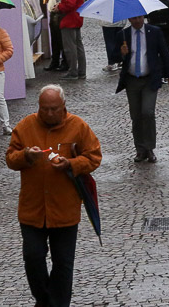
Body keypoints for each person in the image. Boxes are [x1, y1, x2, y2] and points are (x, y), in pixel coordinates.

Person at [6, 85, 101, 307]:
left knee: (63, 263)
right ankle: (44, 300)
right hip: (33, 210)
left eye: (54, 109)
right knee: (33, 257)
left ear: (63, 106)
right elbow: (11, 158)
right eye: (44, 109)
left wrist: (72, 163)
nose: (49, 113)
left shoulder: (78, 127)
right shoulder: (25, 126)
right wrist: (26, 156)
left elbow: (94, 157)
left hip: (65, 209)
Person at [118, 14, 169, 163]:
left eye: (139, 18)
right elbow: (113, 56)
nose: (137, 21)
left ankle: (149, 147)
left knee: (148, 112)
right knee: (136, 115)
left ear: (143, 17)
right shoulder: (123, 34)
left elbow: (164, 53)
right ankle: (140, 149)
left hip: (150, 79)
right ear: (129, 19)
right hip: (132, 80)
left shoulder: (154, 32)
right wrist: (121, 53)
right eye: (133, 19)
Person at [54, 0, 86, 81]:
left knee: (70, 48)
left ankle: (73, 72)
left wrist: (59, 7)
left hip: (69, 20)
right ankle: (82, 71)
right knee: (78, 46)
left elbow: (69, 4)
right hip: (77, 18)